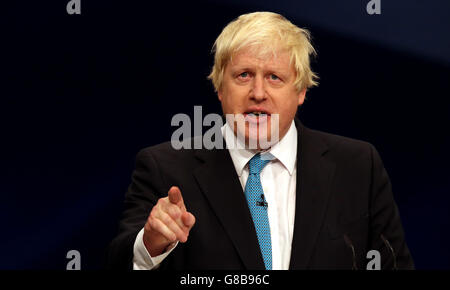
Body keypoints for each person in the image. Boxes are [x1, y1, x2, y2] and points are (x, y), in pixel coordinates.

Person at [106, 12, 414, 270]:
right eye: (243, 75)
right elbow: (119, 260)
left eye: (274, 77)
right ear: (219, 88)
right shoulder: (164, 167)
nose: (258, 92)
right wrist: (150, 244)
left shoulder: (358, 165)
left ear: (301, 91)